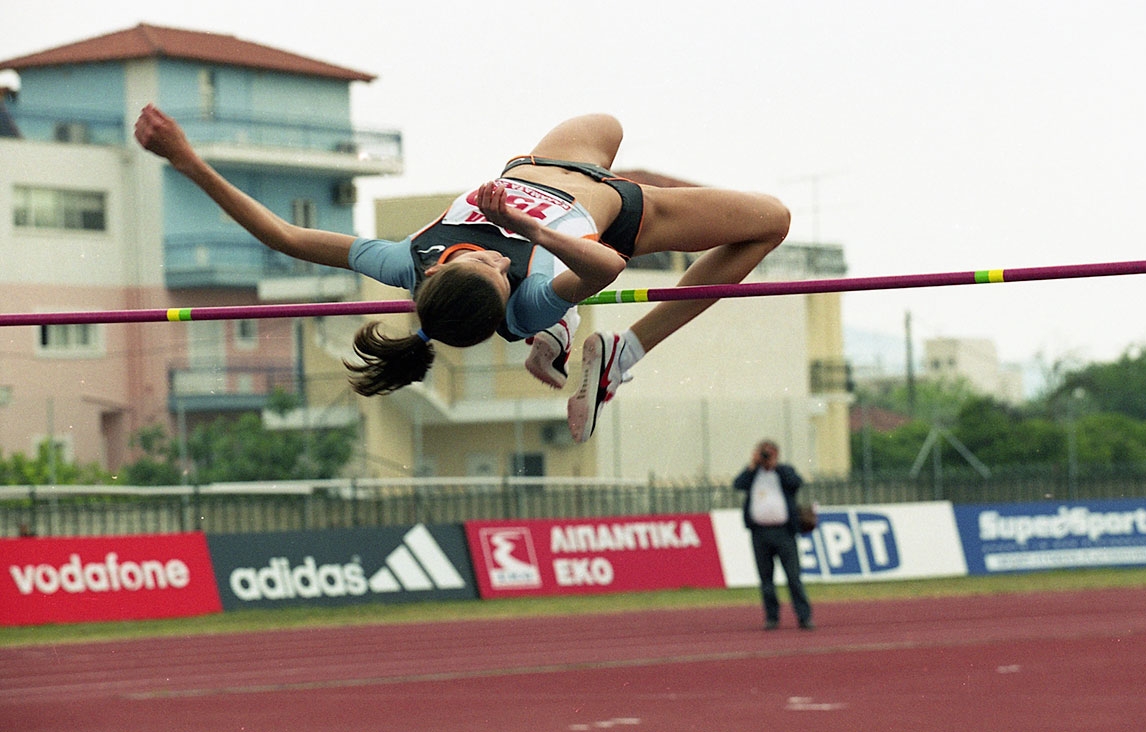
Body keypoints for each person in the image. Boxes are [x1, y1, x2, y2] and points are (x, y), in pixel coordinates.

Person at [135, 105, 790, 442]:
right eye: (506, 275)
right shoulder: (523, 299)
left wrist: (186, 160)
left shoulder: (405, 262)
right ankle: (617, 352)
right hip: (622, 215)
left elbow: (285, 235)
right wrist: (532, 230)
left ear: (444, 263)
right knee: (771, 221)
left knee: (607, 121)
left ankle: (557, 345)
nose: (499, 261)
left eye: (486, 263)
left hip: (558, 161)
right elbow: (608, 266)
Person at [733, 439, 814, 630]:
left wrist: (775, 466)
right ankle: (772, 617)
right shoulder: (753, 474)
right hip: (760, 533)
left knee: (793, 577)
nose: (765, 457)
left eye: (768, 453)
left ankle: (804, 616)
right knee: (766, 578)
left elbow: (795, 483)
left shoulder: (784, 471)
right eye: (762, 453)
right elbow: (738, 484)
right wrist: (752, 466)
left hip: (784, 532)